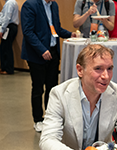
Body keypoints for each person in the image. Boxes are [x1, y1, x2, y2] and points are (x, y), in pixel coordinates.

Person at [39, 44, 117, 150]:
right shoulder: (60, 94)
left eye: (109, 68)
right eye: (98, 68)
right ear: (80, 70)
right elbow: (48, 139)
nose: (106, 76)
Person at [21, 0, 76, 133]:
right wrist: (41, 50)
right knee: (38, 88)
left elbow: (55, 28)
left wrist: (70, 34)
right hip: (36, 54)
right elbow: (28, 32)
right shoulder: (30, 5)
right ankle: (38, 119)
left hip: (53, 52)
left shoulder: (54, 5)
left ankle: (51, 117)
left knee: (52, 88)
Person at [0, 0, 19, 75]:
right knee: (5, 47)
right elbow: (5, 15)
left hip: (9, 27)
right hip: (10, 26)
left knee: (6, 48)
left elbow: (7, 17)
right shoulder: (12, 2)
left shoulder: (9, 3)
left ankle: (8, 69)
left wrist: (2, 29)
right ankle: (5, 67)